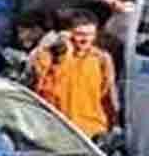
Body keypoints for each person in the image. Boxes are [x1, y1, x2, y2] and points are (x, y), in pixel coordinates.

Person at [30, 10, 118, 140]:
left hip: (91, 132)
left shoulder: (101, 59)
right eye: (79, 34)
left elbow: (108, 96)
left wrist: (113, 126)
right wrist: (59, 51)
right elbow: (35, 86)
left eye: (90, 34)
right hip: (55, 130)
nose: (85, 39)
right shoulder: (47, 56)